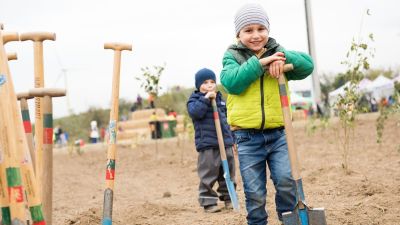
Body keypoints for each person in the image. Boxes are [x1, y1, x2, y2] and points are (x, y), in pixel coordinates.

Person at [220, 3, 314, 224]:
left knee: (286, 181)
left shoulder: (277, 51)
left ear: (268, 31)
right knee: (255, 192)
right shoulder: (232, 56)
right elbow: (231, 82)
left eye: (261, 29)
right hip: (247, 137)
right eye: (248, 30)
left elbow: (307, 65)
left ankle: (288, 219)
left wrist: (281, 58)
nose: (255, 35)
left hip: (279, 135)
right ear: (238, 34)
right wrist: (261, 63)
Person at [187, 68, 236, 213]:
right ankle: (208, 201)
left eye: (212, 82)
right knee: (208, 173)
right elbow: (195, 113)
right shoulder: (195, 100)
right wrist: (206, 99)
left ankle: (229, 198)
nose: (209, 85)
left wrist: (232, 140)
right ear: (198, 85)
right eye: (205, 82)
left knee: (228, 172)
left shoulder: (220, 99)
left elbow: (227, 121)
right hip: (207, 145)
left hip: (225, 143)